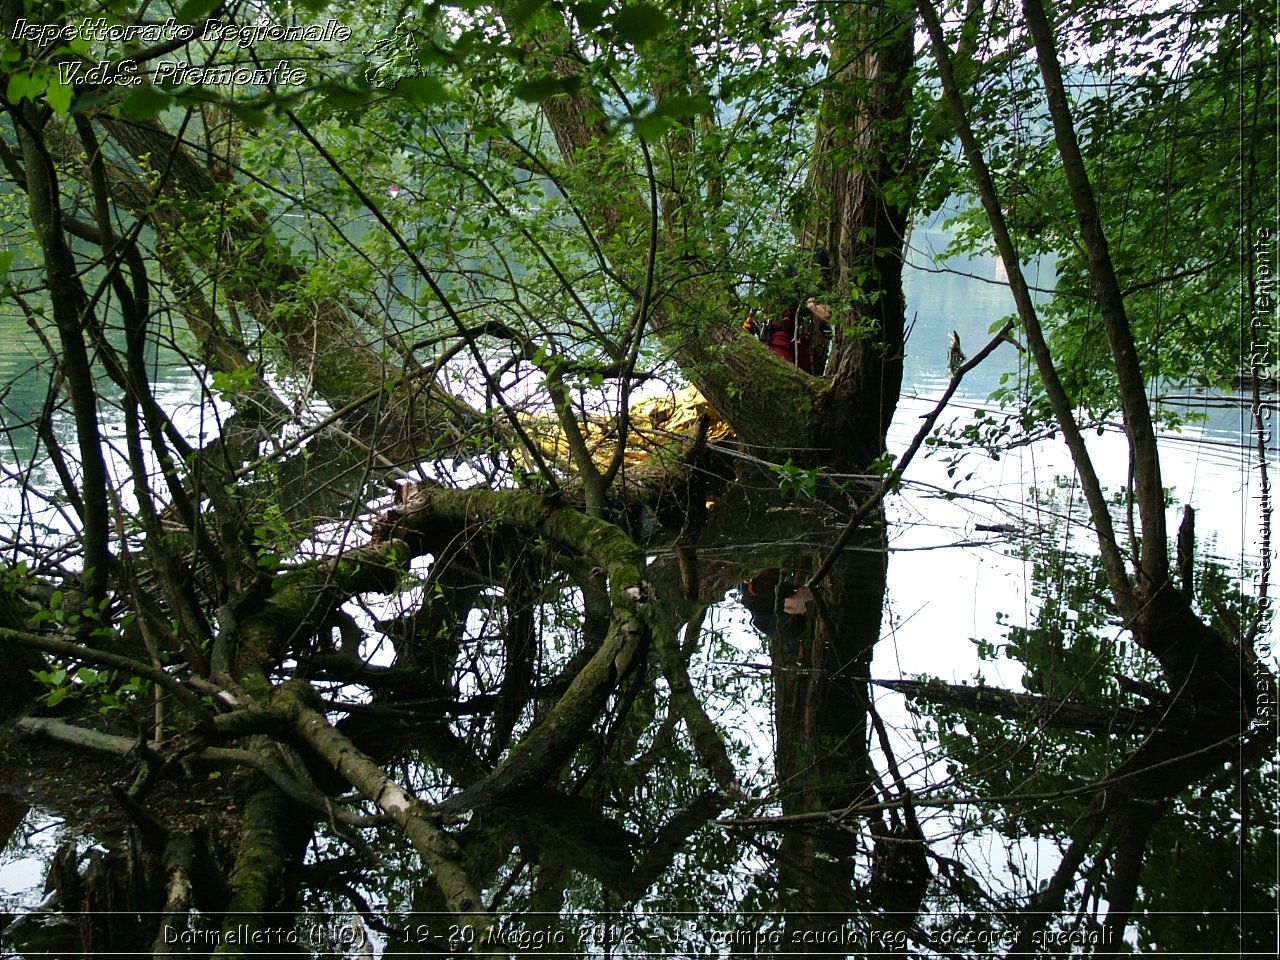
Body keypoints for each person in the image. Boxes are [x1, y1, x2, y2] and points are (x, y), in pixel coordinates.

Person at [742, 248, 832, 375]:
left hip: (790, 339)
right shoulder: (794, 290)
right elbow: (823, 311)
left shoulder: (779, 290)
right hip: (780, 338)